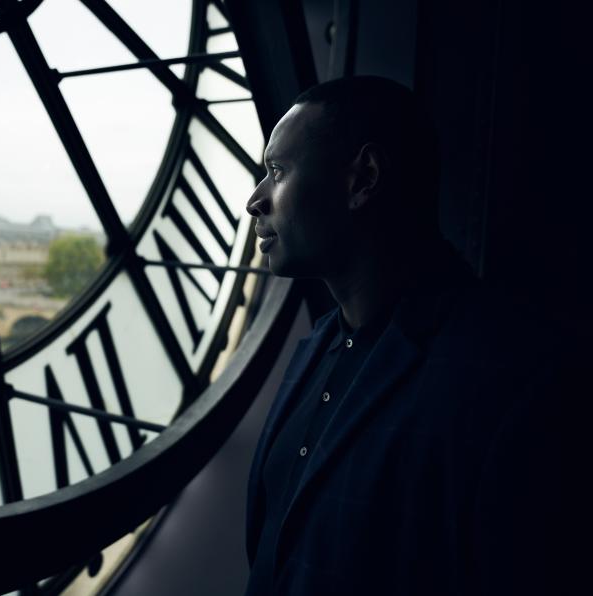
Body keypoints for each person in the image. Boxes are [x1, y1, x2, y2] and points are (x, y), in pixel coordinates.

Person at [243, 76, 582, 595]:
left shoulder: (515, 384)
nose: (255, 200)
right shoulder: (315, 350)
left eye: (276, 170)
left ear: (364, 179)